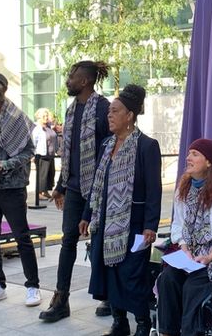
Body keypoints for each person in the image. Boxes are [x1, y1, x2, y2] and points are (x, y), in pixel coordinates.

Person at [79, 84, 161, 336]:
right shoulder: (106, 145)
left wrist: (150, 225)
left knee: (132, 277)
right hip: (106, 222)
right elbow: (97, 184)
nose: (109, 115)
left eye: (115, 111)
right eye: (109, 112)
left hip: (133, 224)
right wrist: (86, 215)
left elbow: (153, 190)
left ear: (130, 116)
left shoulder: (146, 146)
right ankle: (119, 323)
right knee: (109, 274)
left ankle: (143, 324)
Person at [41, 60, 113, 323]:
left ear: (84, 81)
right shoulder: (71, 110)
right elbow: (68, 153)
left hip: (100, 189)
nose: (68, 80)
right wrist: (60, 186)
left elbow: (108, 152)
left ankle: (108, 294)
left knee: (102, 242)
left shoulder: (103, 108)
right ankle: (61, 299)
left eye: (72, 77)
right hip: (73, 188)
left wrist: (100, 188)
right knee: (68, 241)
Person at [158, 138, 212, 336]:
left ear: (209, 162)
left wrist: (208, 257)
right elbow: (178, 225)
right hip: (190, 254)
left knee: (193, 285)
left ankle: (190, 332)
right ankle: (167, 332)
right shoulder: (184, 188)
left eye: (195, 154)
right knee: (167, 279)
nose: (188, 158)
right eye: (188, 153)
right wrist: (185, 249)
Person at [0, 72, 42, 307]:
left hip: (12, 187)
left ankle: (32, 286)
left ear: (4, 87)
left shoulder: (16, 116)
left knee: (22, 237)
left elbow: (28, 151)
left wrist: (6, 165)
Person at [32, 108, 57, 200]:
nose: (46, 118)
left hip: (51, 154)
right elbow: (33, 142)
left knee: (50, 173)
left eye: (47, 116)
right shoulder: (37, 129)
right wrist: (33, 155)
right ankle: (39, 193)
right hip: (41, 155)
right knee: (42, 175)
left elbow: (54, 138)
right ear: (39, 117)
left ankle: (45, 191)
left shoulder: (49, 127)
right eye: (44, 116)